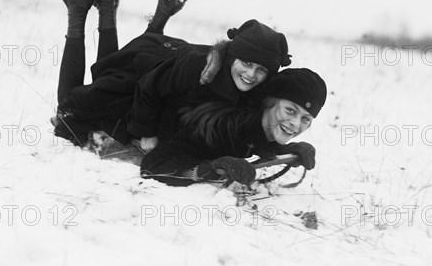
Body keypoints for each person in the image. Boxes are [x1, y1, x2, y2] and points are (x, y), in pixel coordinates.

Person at [33, 0, 292, 152]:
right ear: (232, 57)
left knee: (104, 74)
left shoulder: (246, 85)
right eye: (247, 63)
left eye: (261, 70)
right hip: (143, 74)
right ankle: (80, 9)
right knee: (69, 108)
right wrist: (145, 133)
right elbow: (152, 86)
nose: (251, 73)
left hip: (159, 59)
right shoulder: (203, 69)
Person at [140, 67, 327, 186]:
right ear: (269, 102)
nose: (296, 124)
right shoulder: (223, 128)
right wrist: (211, 169)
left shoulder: (259, 126)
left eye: (306, 119)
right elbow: (152, 166)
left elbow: (260, 141)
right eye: (290, 111)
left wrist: (291, 150)